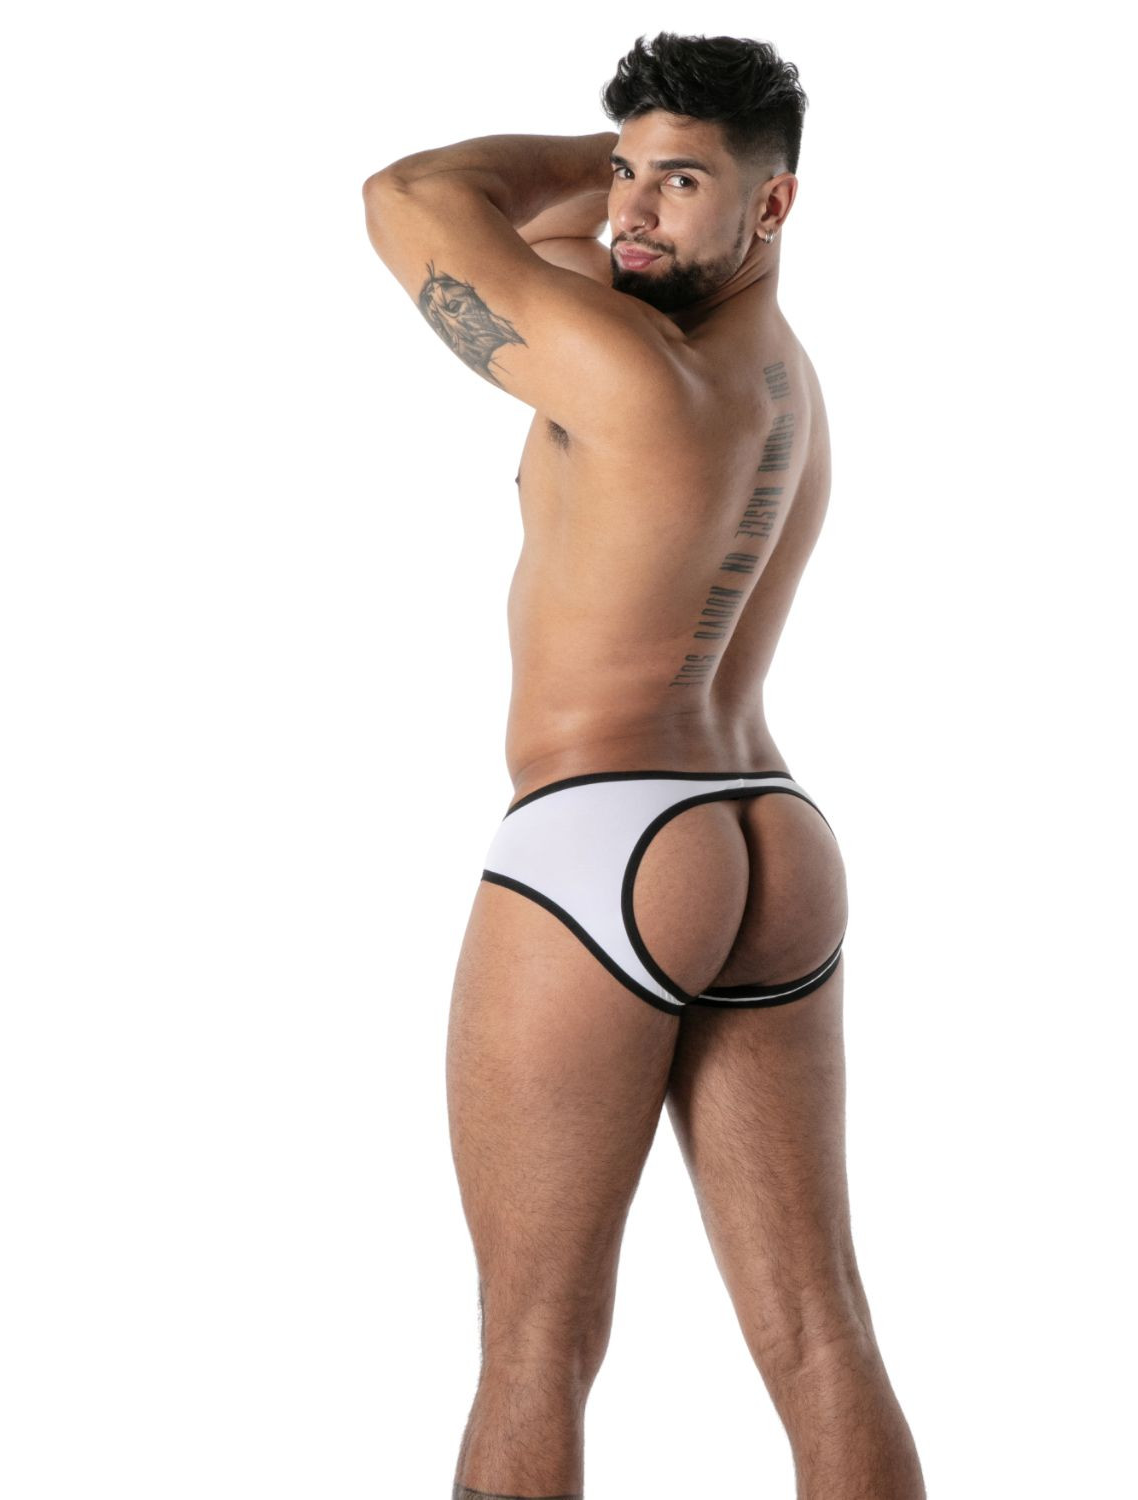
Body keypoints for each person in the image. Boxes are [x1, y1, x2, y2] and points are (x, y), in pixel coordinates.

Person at [362, 31, 925, 1500]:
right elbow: (558, 242)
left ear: (775, 202)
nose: (630, 208)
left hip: (603, 836)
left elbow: (407, 197)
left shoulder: (623, 367)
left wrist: (605, 158)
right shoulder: (780, 376)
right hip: (770, 833)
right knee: (822, 1332)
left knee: (534, 1349)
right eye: (625, 173)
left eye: (680, 182)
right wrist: (652, 177)